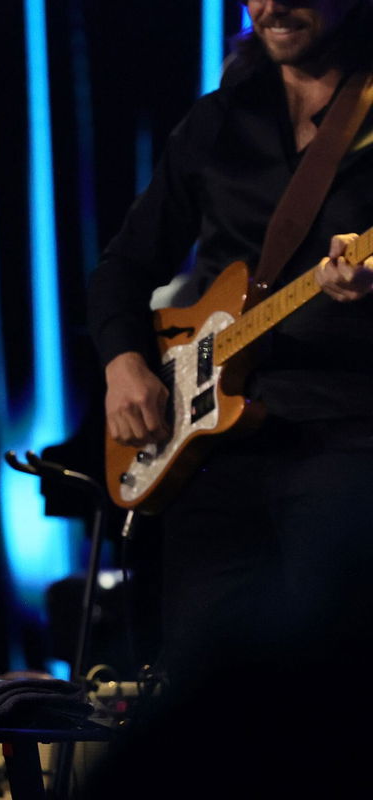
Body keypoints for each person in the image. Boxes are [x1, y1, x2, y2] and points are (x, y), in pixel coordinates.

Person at [87, 0, 373, 692]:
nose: (273, 4)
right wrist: (124, 364)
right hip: (214, 454)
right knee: (203, 686)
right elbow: (124, 266)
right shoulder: (219, 120)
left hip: (346, 439)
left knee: (332, 683)